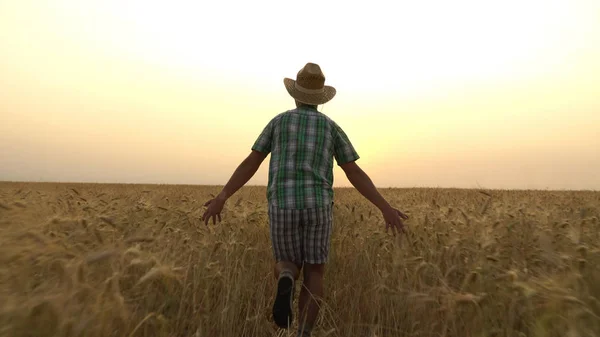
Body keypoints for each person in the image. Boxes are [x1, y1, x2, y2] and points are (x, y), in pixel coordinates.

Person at [202, 62, 409, 337]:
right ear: (320, 99)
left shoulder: (278, 122)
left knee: (286, 263)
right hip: (318, 207)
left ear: (296, 95)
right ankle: (303, 333)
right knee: (315, 274)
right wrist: (385, 208)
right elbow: (354, 171)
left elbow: (251, 162)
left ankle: (287, 275)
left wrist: (222, 196)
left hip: (282, 205)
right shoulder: (330, 127)